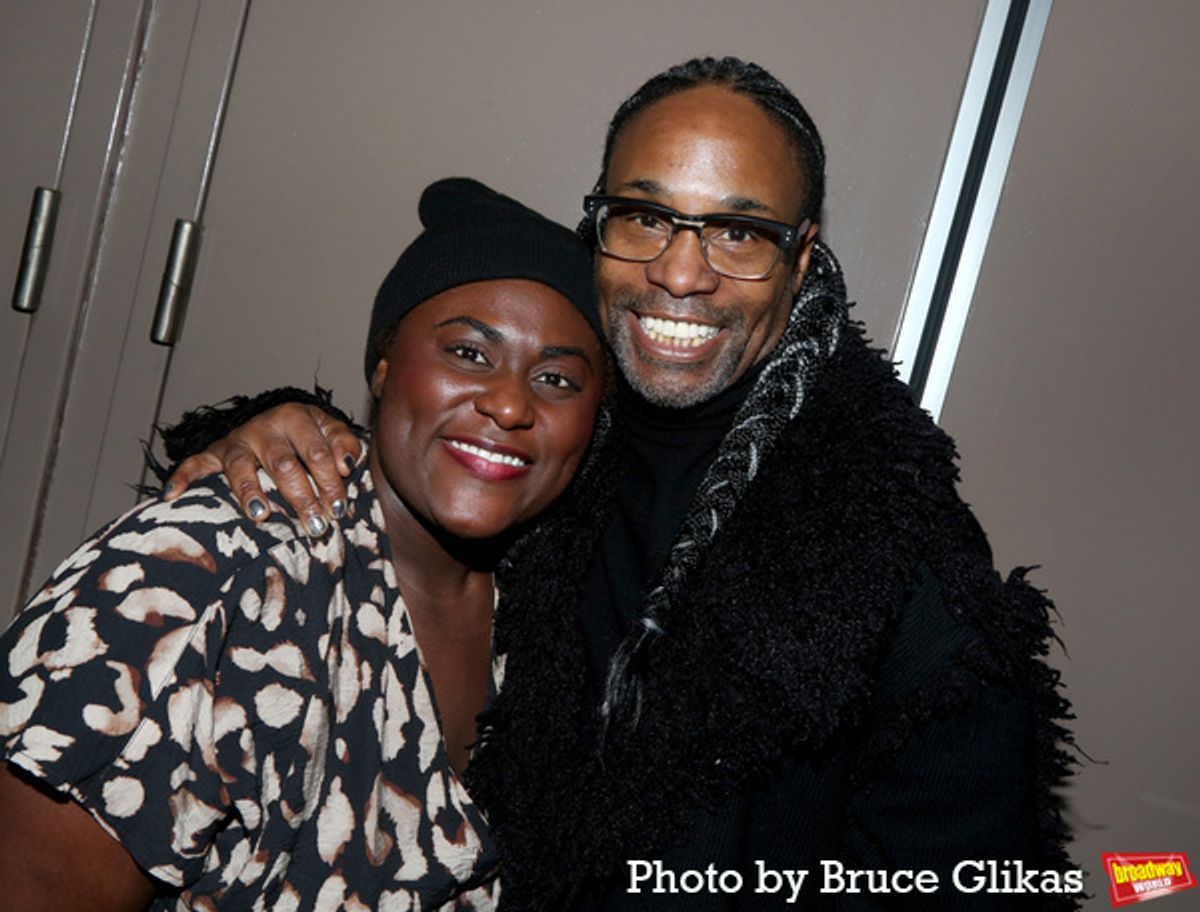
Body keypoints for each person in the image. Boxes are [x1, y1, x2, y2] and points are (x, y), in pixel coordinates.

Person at [163, 58, 1078, 910]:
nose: (680, 273)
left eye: (739, 231)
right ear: (598, 225)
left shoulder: (889, 543)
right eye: (647, 216)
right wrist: (295, 432)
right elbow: (424, 452)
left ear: (800, 263)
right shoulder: (559, 417)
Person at [0, 177, 607, 910]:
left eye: (556, 378)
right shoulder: (202, 576)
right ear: (383, 367)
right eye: (469, 354)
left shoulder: (563, 629)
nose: (510, 403)